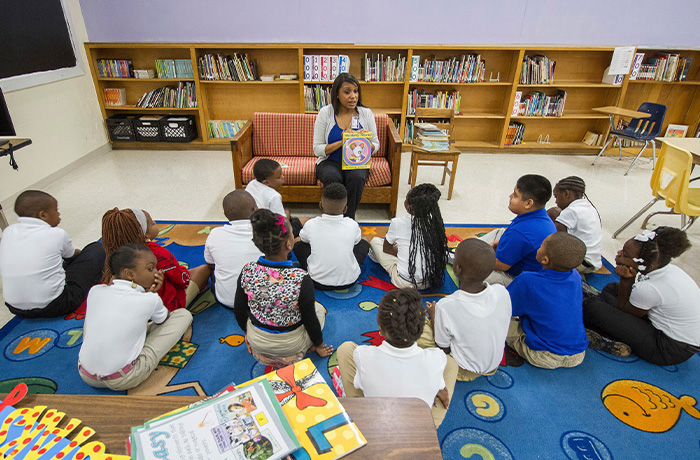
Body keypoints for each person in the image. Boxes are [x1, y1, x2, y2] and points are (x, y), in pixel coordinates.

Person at [336, 288, 458, 428]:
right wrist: (437, 384)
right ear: (421, 329)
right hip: (420, 428)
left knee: (345, 349)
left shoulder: (362, 355)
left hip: (373, 424)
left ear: (380, 327)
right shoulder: (437, 359)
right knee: (452, 364)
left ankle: (355, 406)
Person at [78, 244, 193, 391]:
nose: (156, 273)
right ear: (130, 274)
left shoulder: (95, 290)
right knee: (183, 315)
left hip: (86, 374)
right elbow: (163, 320)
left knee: (102, 317)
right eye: (150, 269)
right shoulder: (150, 299)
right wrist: (152, 295)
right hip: (124, 378)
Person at [583, 227, 700, 365]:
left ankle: (607, 339)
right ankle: (603, 316)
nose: (619, 253)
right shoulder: (668, 270)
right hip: (671, 333)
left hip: (667, 349)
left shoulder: (649, 288)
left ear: (646, 265)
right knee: (612, 288)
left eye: (625, 255)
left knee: (591, 308)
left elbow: (625, 312)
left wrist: (627, 279)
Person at [233, 209, 333, 367]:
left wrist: (247, 333)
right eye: (292, 233)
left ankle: (266, 354)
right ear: (289, 243)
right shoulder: (301, 278)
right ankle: (298, 353)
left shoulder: (247, 270)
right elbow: (310, 320)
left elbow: (239, 310)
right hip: (291, 344)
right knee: (318, 310)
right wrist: (319, 345)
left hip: (257, 341)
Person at [0, 190, 105, 318]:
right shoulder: (57, 234)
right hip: (56, 305)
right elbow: (72, 256)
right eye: (56, 210)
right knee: (96, 249)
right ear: (43, 215)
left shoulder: (7, 232)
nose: (59, 214)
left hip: (15, 308)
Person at [418, 238, 512, 381]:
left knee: (416, 326)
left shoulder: (447, 305)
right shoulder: (502, 292)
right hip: (493, 366)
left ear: (457, 269)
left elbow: (444, 348)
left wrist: (434, 317)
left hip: (462, 369)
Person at [506, 232, 589, 369]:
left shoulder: (527, 280)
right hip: (578, 354)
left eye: (542, 245)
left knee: (499, 319)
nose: (538, 246)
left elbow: (505, 308)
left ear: (545, 260)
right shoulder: (575, 277)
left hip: (543, 355)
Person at [102, 208, 210, 311]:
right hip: (161, 306)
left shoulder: (113, 255)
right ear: (144, 235)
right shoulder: (153, 253)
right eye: (152, 223)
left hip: (129, 307)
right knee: (204, 269)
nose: (154, 222)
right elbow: (179, 278)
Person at [313, 73, 379, 220]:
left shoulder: (366, 113)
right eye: (347, 92)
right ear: (336, 94)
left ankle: (348, 220)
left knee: (356, 177)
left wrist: (365, 141)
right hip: (329, 161)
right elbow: (317, 148)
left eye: (355, 91)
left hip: (357, 162)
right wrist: (343, 140)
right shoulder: (325, 113)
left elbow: (376, 144)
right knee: (332, 177)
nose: (353, 96)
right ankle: (333, 218)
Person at [480, 174, 556, 286]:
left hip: (517, 277)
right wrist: (497, 243)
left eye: (515, 195)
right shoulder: (541, 216)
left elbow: (502, 265)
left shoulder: (520, 232)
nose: (510, 196)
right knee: (500, 232)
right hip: (523, 257)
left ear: (528, 203)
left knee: (471, 272)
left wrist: (479, 259)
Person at [369, 184, 448, 290]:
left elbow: (386, 249)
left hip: (404, 282)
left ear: (409, 207)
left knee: (375, 242)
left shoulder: (397, 223)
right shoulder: (435, 221)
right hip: (428, 281)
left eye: (406, 199)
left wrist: (404, 254)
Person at [293, 183, 370, 290]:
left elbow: (303, 240)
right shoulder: (352, 224)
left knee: (297, 240)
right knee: (364, 239)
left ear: (320, 205)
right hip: (350, 280)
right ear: (345, 209)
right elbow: (356, 243)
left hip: (317, 281)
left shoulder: (311, 224)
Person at [204, 190, 263, 308]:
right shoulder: (266, 231)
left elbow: (210, 264)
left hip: (227, 300)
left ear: (225, 214)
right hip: (264, 300)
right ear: (255, 209)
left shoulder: (215, 234)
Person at [547, 176, 602, 273]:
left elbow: (554, 238)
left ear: (566, 194)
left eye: (556, 197)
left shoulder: (572, 211)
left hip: (579, 263)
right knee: (554, 212)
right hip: (593, 262)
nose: (556, 201)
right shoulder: (588, 206)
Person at [244, 158, 303, 236]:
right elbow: (282, 223)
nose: (283, 177)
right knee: (305, 221)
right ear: (266, 182)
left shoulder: (251, 184)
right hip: (270, 232)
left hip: (254, 226)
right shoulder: (274, 196)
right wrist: (287, 213)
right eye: (279, 177)